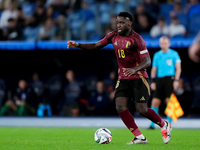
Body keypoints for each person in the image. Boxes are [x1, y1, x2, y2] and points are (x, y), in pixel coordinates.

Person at [67, 12, 172, 144]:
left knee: (142, 110)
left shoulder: (137, 39)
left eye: (122, 22)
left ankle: (164, 125)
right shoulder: (113, 35)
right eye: (117, 22)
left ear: (129, 23)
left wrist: (134, 69)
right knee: (120, 106)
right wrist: (78, 44)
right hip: (123, 78)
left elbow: (147, 61)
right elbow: (95, 46)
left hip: (139, 77)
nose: (119, 25)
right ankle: (139, 136)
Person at [148, 36, 181, 129]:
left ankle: (168, 124)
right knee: (155, 102)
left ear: (169, 44)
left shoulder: (174, 54)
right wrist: (153, 81)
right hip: (160, 79)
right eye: (162, 43)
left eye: (165, 43)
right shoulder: (157, 55)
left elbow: (178, 68)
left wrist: (176, 80)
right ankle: (152, 125)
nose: (163, 45)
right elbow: (154, 69)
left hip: (170, 79)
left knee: (169, 101)